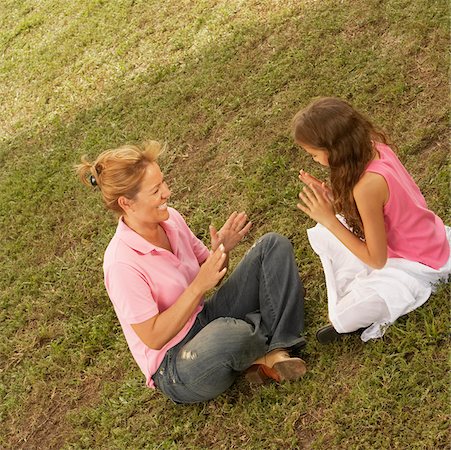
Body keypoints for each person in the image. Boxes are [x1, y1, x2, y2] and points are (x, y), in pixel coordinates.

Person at [76, 141, 306, 404]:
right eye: (155, 190)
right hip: (177, 364)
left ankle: (277, 351)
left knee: (272, 246)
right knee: (230, 333)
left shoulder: (170, 218)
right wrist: (198, 286)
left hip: (204, 317)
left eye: (163, 183)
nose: (167, 192)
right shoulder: (121, 264)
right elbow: (153, 337)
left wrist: (222, 250)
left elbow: (211, 271)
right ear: (127, 203)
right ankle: (264, 334)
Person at [292, 97, 451, 343]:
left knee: (343, 317)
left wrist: (331, 220)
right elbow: (380, 208)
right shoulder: (372, 146)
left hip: (416, 260)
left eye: (313, 154)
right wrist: (332, 198)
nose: (313, 160)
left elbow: (377, 260)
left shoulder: (367, 186)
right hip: (427, 234)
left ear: (334, 149)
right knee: (325, 232)